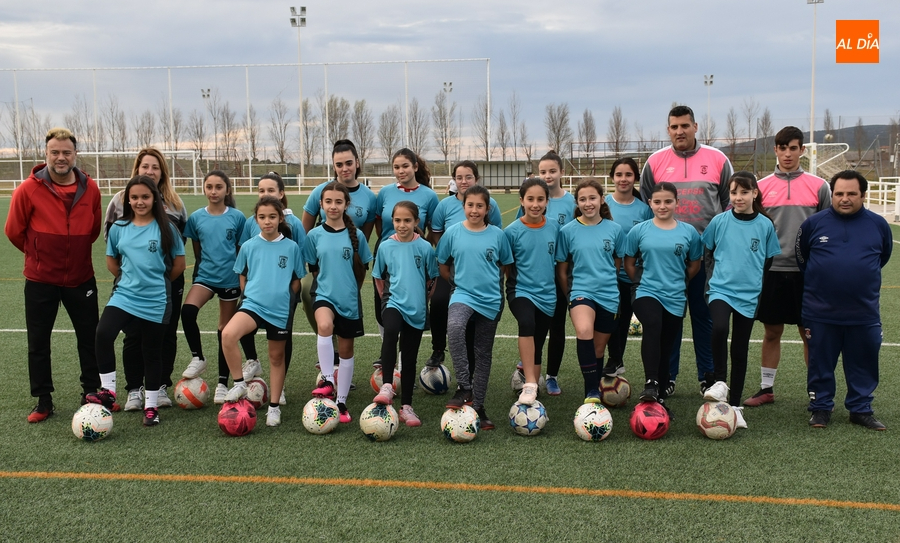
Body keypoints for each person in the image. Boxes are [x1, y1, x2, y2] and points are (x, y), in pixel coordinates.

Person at [5, 127, 102, 422]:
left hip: (80, 277)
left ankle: (91, 392)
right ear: (45, 154)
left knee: (90, 338)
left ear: (75, 154)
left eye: (66, 152)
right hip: (40, 280)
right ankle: (43, 400)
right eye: (55, 152)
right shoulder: (28, 189)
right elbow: (13, 231)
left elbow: (94, 229)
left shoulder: (92, 188)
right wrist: (39, 255)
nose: (61, 158)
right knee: (38, 342)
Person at [640, 105, 733, 397]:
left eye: (684, 125)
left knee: (704, 318)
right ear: (668, 130)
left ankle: (707, 376)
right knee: (671, 319)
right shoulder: (655, 162)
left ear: (695, 127)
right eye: (674, 127)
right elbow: (648, 202)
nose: (679, 131)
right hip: (668, 261)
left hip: (706, 259)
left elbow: (728, 203)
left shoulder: (717, 159)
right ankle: (668, 377)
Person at [743, 126, 832, 407]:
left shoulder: (819, 186)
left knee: (809, 334)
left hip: (808, 273)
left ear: (802, 150)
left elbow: (828, 225)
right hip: (772, 271)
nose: (788, 153)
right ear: (776, 150)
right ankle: (766, 389)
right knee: (772, 332)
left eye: (793, 148)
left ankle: (816, 391)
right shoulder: (762, 187)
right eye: (782, 148)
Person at [86, 176, 186, 426]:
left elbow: (179, 266)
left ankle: (151, 408)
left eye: (145, 197)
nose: (140, 202)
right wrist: (131, 280)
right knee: (103, 333)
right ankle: (108, 392)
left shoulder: (167, 228)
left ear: (154, 198)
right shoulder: (119, 228)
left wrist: (155, 282)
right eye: (134, 197)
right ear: (127, 200)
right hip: (125, 296)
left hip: (156, 300)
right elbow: (112, 261)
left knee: (151, 353)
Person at [797, 170, 891, 430]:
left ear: (863, 194)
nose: (845, 199)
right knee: (820, 363)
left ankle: (861, 409)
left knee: (864, 361)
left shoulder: (879, 224)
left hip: (864, 311)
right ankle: (820, 408)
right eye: (839, 193)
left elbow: (883, 257)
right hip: (820, 311)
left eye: (852, 194)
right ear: (832, 194)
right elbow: (802, 259)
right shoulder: (813, 225)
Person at [104, 148, 187, 410]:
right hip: (131, 285)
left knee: (164, 336)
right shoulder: (119, 201)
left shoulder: (175, 203)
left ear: (162, 171)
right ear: (137, 169)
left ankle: (159, 387)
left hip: (165, 284)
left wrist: (161, 278)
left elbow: (179, 245)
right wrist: (131, 277)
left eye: (155, 167)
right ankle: (133, 389)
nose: (149, 171)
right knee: (132, 336)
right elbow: (112, 244)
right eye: (145, 166)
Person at [700, 172, 780, 430]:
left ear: (755, 194)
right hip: (720, 289)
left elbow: (767, 261)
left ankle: (735, 406)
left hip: (749, 294)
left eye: (744, 192)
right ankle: (720, 382)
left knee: (740, 348)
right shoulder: (719, 221)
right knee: (720, 328)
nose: (738, 197)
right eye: (734, 192)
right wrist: (714, 281)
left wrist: (753, 283)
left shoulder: (766, 225)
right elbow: (708, 252)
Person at [220, 197, 306, 427]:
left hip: (278, 309)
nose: (267, 221)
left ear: (280, 218)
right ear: (256, 219)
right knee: (228, 335)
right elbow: (242, 273)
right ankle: (239, 383)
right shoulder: (249, 246)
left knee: (276, 358)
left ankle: (274, 408)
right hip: (253, 305)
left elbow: (297, 279)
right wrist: (247, 293)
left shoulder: (291, 246)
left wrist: (287, 299)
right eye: (262, 217)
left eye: (272, 217)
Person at [624, 182, 702, 416]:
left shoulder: (688, 232)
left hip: (676, 295)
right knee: (653, 325)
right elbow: (629, 261)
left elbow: (695, 263)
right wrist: (639, 282)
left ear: (677, 203)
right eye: (657, 201)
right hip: (646, 291)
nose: (662, 206)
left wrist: (679, 280)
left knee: (667, 343)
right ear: (650, 203)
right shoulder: (640, 230)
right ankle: (651, 382)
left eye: (668, 201)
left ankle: (662, 385)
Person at [439, 185, 513, 430]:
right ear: (463, 207)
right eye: (470, 205)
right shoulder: (453, 233)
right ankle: (464, 387)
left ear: (487, 208)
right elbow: (443, 264)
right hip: (463, 294)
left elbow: (506, 265)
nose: (474, 210)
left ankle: (479, 406)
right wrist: (458, 284)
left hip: (491, 300)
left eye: (479, 205)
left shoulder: (497, 235)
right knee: (455, 326)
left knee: (483, 354)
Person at [300, 140, 377, 374]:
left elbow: (364, 236)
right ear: (334, 166)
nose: (345, 168)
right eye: (339, 164)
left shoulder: (369, 198)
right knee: (307, 292)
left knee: (347, 308)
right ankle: (327, 348)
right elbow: (306, 230)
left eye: (349, 163)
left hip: (350, 262)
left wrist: (355, 267)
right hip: (322, 260)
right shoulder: (321, 192)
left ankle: (341, 362)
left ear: (357, 163)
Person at [179, 172, 257, 400]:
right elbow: (197, 250)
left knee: (224, 329)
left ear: (227, 190)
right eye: (209, 187)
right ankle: (198, 357)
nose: (213, 191)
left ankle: (223, 383)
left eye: (218, 187)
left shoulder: (237, 217)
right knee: (188, 311)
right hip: (205, 277)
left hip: (230, 280)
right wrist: (198, 274)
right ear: (204, 189)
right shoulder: (195, 218)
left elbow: (241, 251)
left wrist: (243, 281)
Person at [307, 182, 373, 424]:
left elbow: (362, 269)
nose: (333, 206)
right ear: (321, 205)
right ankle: (327, 380)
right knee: (324, 326)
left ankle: (342, 402)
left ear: (346, 205)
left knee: (346, 352)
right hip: (324, 295)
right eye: (328, 202)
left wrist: (350, 290)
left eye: (338, 202)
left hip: (349, 300)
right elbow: (314, 269)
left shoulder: (357, 236)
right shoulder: (313, 236)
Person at [237, 172, 305, 403]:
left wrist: (290, 294)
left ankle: (280, 386)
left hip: (283, 293)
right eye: (261, 191)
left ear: (281, 193)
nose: (265, 194)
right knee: (241, 328)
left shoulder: (294, 224)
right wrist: (247, 290)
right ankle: (252, 360)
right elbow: (246, 255)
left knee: (281, 340)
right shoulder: (250, 222)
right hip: (255, 293)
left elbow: (300, 258)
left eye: (270, 190)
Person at [554, 179, 624, 404]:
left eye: (592, 198)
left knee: (598, 347)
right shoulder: (567, 231)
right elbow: (562, 270)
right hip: (581, 292)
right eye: (582, 199)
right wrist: (570, 296)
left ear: (602, 199)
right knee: (584, 330)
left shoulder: (615, 230)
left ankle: (595, 387)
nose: (588, 203)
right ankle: (591, 393)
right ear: (577, 202)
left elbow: (617, 263)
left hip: (609, 295)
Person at [427, 160, 502, 370]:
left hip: (476, 265)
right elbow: (436, 231)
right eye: (459, 177)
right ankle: (438, 348)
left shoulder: (491, 204)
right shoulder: (445, 205)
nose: (463, 181)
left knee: (470, 317)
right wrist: (448, 251)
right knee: (440, 301)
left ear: (476, 179)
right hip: (450, 264)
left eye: (468, 177)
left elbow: (496, 233)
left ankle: (471, 359)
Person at [371, 201, 439, 426]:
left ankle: (407, 407)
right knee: (390, 331)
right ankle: (388, 385)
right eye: (397, 220)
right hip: (393, 302)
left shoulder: (425, 248)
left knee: (409, 358)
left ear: (416, 222)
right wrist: (386, 300)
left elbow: (432, 279)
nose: (402, 225)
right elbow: (378, 276)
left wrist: (422, 300)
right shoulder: (385, 246)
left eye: (407, 220)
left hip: (417, 308)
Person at [514, 151, 576, 395]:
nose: (548, 175)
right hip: (533, 278)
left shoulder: (571, 202)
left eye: (552, 171)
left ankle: (551, 376)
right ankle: (530, 370)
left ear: (561, 172)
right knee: (533, 327)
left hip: (561, 274)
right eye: (543, 171)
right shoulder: (529, 204)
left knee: (557, 327)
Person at [373, 149, 439, 361]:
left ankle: (404, 361)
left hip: (414, 257)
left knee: (411, 307)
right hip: (387, 254)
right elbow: (379, 224)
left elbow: (433, 228)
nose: (401, 171)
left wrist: (418, 246)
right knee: (384, 308)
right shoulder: (384, 192)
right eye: (396, 167)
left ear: (415, 167)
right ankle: (388, 355)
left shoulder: (429, 195)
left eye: (405, 166)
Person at [505, 178, 559, 405]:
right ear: (522, 201)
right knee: (527, 323)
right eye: (530, 199)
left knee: (539, 340)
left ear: (547, 201)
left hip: (548, 294)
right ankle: (529, 384)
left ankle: (530, 384)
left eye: (540, 199)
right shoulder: (511, 231)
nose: (535, 204)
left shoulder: (556, 228)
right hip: (521, 291)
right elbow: (507, 266)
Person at [604, 157, 653, 378]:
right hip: (607, 275)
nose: (623, 179)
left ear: (636, 178)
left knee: (625, 321)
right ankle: (614, 359)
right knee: (610, 321)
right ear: (612, 177)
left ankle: (617, 360)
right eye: (619, 174)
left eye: (628, 175)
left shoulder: (644, 209)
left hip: (633, 276)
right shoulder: (603, 203)